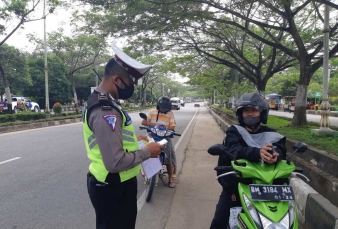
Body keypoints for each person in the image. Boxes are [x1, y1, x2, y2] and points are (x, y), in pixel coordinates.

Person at [83, 44, 164, 229]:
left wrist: (135, 142)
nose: (132, 86)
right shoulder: (106, 110)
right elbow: (114, 162)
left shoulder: (103, 101)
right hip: (113, 185)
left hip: (112, 183)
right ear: (116, 79)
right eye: (131, 81)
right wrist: (147, 152)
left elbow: (108, 141)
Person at [210, 92, 287, 229]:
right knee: (219, 221)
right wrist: (257, 152)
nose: (249, 114)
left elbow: (280, 149)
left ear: (262, 113)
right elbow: (234, 149)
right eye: (245, 111)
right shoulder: (234, 132)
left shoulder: (272, 134)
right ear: (240, 114)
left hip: (268, 187)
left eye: (254, 110)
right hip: (238, 183)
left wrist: (275, 154)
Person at [141, 96, 177, 188]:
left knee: (169, 158)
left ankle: (170, 179)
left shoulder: (170, 114)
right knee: (143, 150)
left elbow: (172, 127)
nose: (164, 110)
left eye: (166, 109)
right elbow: (144, 123)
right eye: (162, 108)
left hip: (165, 137)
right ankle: (144, 169)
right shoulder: (152, 112)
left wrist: (163, 127)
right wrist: (155, 125)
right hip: (152, 136)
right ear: (158, 106)